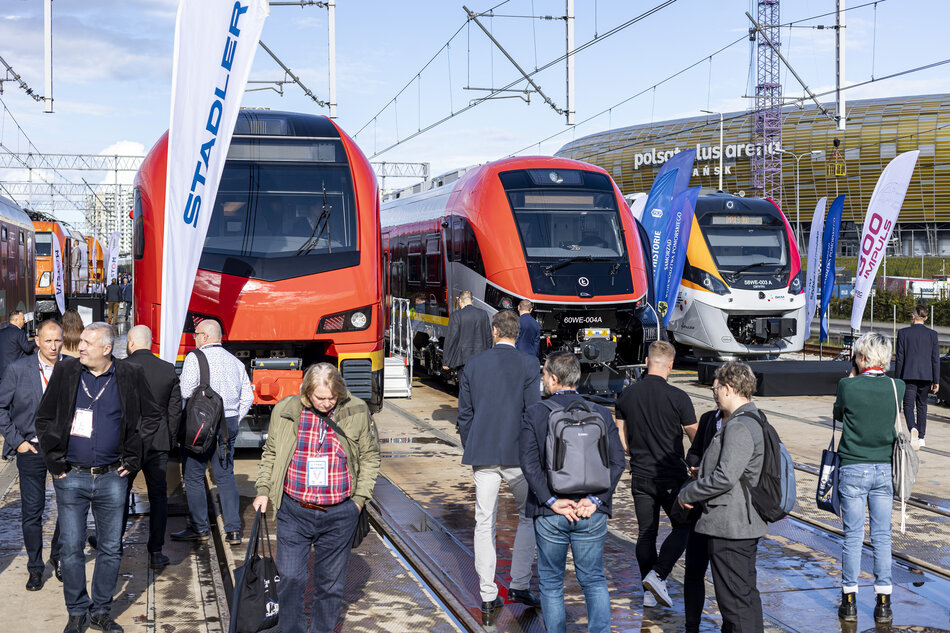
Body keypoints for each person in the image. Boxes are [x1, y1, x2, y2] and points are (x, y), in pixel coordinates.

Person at [35, 322, 162, 633]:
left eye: (87, 343)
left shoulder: (129, 374)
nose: (79, 347)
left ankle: (101, 610)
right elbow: (44, 417)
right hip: (71, 477)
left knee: (110, 547)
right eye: (80, 342)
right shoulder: (66, 373)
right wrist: (54, 461)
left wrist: (134, 458)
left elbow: (152, 416)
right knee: (71, 547)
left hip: (112, 477)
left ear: (107, 349)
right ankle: (77, 611)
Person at [253, 363, 381, 633]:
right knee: (290, 577)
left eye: (332, 397)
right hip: (294, 510)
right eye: (320, 397)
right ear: (307, 392)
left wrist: (358, 501)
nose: (326, 403)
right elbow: (271, 453)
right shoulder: (286, 410)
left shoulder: (357, 410)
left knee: (330, 585)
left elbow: (370, 457)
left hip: (339, 513)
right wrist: (264, 490)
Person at [519, 351, 625, 633]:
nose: (543, 378)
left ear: (554, 378)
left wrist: (551, 500)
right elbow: (617, 461)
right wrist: (596, 500)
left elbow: (528, 463)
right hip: (591, 511)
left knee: (551, 583)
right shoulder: (601, 412)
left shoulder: (536, 413)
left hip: (551, 512)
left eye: (544, 374)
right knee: (593, 579)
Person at [456, 310, 542, 624]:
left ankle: (488, 594)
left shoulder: (474, 365)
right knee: (529, 515)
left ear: (494, 330)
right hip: (518, 455)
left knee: (484, 521)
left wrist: (473, 444)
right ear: (516, 333)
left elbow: (464, 415)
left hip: (484, 454)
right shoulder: (529, 364)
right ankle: (519, 584)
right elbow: (533, 413)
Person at [677, 361, 766, 633]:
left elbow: (725, 476)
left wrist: (688, 492)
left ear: (728, 388)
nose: (713, 394)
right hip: (739, 523)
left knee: (735, 604)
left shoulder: (738, 426)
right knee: (744, 597)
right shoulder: (754, 418)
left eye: (715, 388)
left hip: (731, 526)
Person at [614, 339, 697, 608]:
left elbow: (620, 436)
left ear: (647, 362)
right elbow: (696, 437)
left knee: (646, 533)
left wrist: (633, 453)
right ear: (671, 366)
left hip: (640, 474)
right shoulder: (679, 397)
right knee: (685, 526)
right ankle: (658, 574)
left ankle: (649, 591)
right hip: (672, 475)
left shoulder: (627, 395)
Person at [833, 332, 902, 625]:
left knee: (853, 536)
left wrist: (851, 376)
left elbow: (838, 415)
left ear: (861, 357)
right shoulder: (896, 385)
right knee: (882, 537)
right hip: (884, 469)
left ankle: (849, 601)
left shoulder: (847, 385)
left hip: (852, 467)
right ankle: (883, 602)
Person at [172, 319, 252, 545]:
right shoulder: (235, 362)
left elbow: (186, 391)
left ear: (205, 337)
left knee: (194, 476)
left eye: (196, 334)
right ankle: (234, 530)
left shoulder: (194, 358)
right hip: (229, 423)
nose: (194, 338)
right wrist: (234, 418)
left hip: (201, 425)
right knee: (225, 476)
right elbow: (248, 397)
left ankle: (200, 529)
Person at [0, 319, 64, 591]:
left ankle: (58, 556)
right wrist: (18, 442)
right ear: (36, 340)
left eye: (57, 340)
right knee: (32, 511)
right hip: (31, 449)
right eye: (47, 340)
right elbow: (1, 408)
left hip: (63, 449)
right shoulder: (18, 370)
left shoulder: (71, 367)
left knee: (69, 508)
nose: (53, 346)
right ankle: (35, 567)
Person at [123, 325, 182, 569]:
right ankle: (156, 551)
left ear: (130, 342)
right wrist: (168, 438)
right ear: (151, 343)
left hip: (128, 444)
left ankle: (113, 543)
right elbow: (175, 409)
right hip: (158, 443)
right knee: (158, 498)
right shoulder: (167, 369)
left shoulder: (122, 368)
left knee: (119, 495)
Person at [683, 397, 723, 633]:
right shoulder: (709, 419)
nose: (716, 394)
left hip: (726, 514)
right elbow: (694, 452)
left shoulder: (745, 423)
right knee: (694, 570)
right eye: (714, 389)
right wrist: (694, 465)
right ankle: (692, 626)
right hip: (700, 509)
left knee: (724, 577)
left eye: (719, 388)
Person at [895, 305, 939, 449]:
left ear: (913, 316)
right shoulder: (933, 335)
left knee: (908, 405)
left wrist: (897, 379)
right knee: (922, 405)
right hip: (926, 376)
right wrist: (936, 380)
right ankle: (921, 437)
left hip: (908, 375)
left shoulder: (903, 333)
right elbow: (935, 359)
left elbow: (900, 359)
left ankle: (912, 427)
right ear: (926, 318)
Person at [442, 290, 492, 377]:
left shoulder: (456, 315)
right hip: (480, 358)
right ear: (472, 301)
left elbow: (451, 338)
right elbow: (488, 337)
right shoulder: (483, 314)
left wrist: (446, 361)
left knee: (465, 387)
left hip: (463, 360)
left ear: (460, 301)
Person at [0, 309, 36, 378]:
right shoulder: (19, 332)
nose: (25, 321)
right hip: (16, 372)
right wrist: (36, 341)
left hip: (2, 372)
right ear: (16, 320)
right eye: (23, 319)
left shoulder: (1, 332)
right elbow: (27, 348)